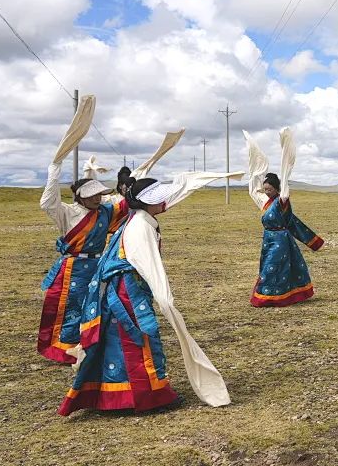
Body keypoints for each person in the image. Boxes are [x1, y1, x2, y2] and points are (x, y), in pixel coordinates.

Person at [58, 168, 240, 415]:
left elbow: (175, 195)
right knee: (141, 337)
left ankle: (121, 395)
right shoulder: (140, 226)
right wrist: (166, 300)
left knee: (121, 341)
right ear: (148, 202)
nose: (165, 202)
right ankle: (148, 395)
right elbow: (150, 265)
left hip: (125, 288)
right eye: (159, 198)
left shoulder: (138, 217)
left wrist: (213, 177)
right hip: (127, 291)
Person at [37, 101, 182, 364]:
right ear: (80, 197)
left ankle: (88, 343)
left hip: (97, 265)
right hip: (73, 267)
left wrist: (142, 172)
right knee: (71, 305)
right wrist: (54, 169)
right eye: (91, 195)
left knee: (94, 305)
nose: (97, 198)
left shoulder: (105, 210)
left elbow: (129, 200)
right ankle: (66, 346)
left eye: (99, 194)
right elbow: (48, 203)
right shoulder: (67, 213)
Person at [243, 128, 324, 307]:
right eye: (265, 190)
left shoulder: (282, 201)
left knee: (272, 267)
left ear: (277, 189)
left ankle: (266, 299)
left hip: (281, 239)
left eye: (270, 189)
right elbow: (253, 189)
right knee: (269, 266)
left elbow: (286, 194)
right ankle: (276, 296)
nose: (267, 192)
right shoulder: (265, 202)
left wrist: (286, 154)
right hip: (268, 239)